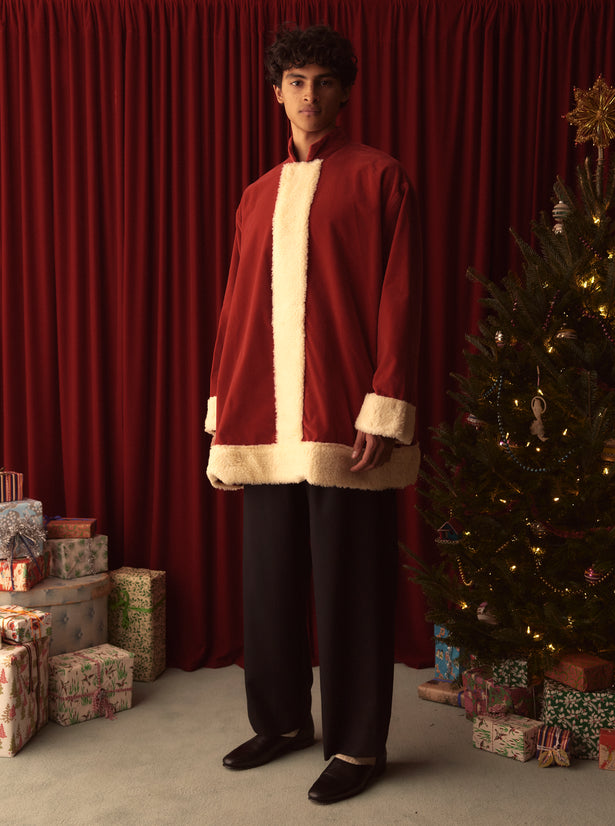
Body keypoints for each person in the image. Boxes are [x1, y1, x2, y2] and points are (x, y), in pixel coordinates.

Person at [205, 22, 422, 805]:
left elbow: (400, 299)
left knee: (352, 582)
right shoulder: (255, 195)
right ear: (277, 93)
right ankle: (281, 721)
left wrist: (383, 403)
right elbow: (236, 309)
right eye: (296, 80)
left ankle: (358, 744)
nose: (309, 95)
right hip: (264, 418)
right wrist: (224, 407)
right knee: (268, 581)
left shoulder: (380, 178)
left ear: (345, 92)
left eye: (324, 81)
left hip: (344, 416)